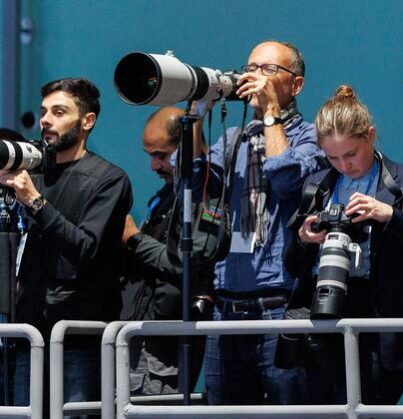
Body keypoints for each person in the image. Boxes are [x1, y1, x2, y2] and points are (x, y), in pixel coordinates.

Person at [283, 85, 403, 405]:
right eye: (332, 157)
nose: (344, 166)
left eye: (351, 154)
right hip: (326, 318)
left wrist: (390, 216)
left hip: (382, 326)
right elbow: (292, 266)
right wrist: (305, 240)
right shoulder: (317, 185)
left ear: (370, 136)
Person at [200, 40, 323, 405]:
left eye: (268, 70)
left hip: (280, 306)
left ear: (296, 85)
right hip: (227, 308)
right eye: (251, 67)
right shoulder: (233, 137)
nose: (254, 76)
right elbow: (191, 178)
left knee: (293, 413)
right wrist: (195, 110)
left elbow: (285, 180)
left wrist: (271, 113)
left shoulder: (312, 136)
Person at [5, 78, 133, 415]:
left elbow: (86, 248)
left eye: (59, 112)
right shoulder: (34, 175)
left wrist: (35, 202)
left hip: (78, 338)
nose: (46, 120)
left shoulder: (108, 179)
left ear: (86, 121)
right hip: (28, 335)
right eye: (44, 111)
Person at [119, 106, 212, 395]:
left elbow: (186, 265)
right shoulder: (163, 198)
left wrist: (134, 239)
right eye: (151, 156)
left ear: (188, 146)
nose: (154, 167)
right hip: (138, 336)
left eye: (161, 155)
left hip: (166, 345)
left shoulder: (206, 195)